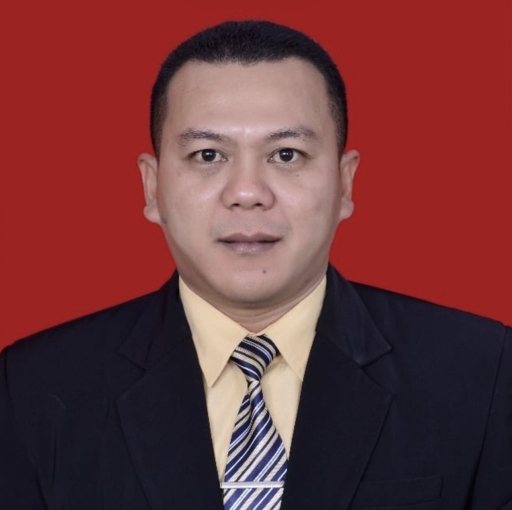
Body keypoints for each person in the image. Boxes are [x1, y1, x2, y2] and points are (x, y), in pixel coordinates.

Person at [0, 19, 510, 510]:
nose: (247, 193)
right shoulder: (32, 389)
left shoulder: (483, 374)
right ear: (152, 187)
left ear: (344, 183)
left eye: (286, 155)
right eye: (207, 155)